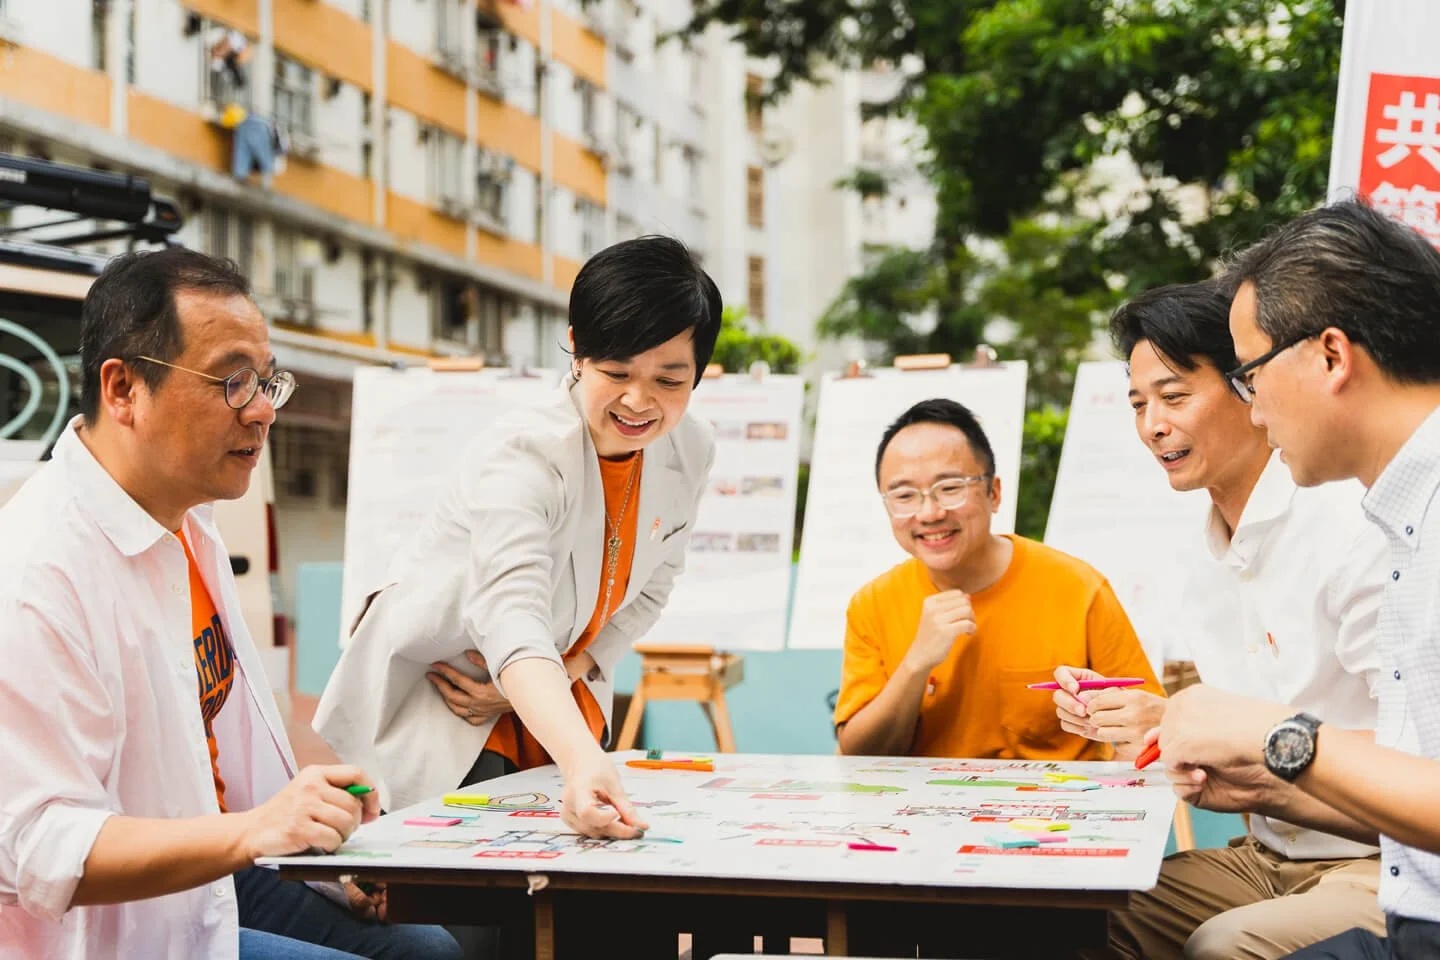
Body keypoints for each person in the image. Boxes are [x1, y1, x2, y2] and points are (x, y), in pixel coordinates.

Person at [0, 248, 462, 959]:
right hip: (108, 927)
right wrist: (255, 832)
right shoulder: (38, 574)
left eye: (268, 379)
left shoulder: (187, 523)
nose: (265, 409)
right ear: (123, 390)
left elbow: (226, 763)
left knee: (428, 948)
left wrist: (317, 842)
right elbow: (37, 844)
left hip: (212, 868)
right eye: (233, 382)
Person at [315, 235, 720, 834]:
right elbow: (511, 610)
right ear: (578, 351)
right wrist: (583, 757)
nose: (640, 401)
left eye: (670, 380)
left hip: (551, 708)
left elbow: (655, 586)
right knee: (473, 917)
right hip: (453, 707)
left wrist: (577, 665)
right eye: (617, 372)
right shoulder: (524, 453)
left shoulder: (688, 448)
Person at [1052, 279, 1389, 960]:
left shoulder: (1349, 525)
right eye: (1139, 404)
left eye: (1174, 397)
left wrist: (1222, 744)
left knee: (1221, 944)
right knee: (1066, 912)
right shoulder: (1201, 551)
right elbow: (1238, 732)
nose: (1153, 425)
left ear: (1250, 388)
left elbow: (1410, 762)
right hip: (1261, 855)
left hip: (1379, 862)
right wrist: (1157, 722)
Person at [1146, 200, 1440, 960]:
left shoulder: (1387, 524)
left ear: (1331, 356)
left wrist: (1278, 744)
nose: (1255, 404)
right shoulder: (1400, 514)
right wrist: (1257, 773)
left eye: (1250, 373)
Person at [833, 398, 1162, 760]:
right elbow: (857, 754)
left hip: (1057, 810)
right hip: (922, 811)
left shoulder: (1078, 588)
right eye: (905, 495)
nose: (929, 512)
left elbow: (1149, 732)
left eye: (950, 487)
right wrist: (916, 664)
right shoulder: (872, 605)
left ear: (994, 493)